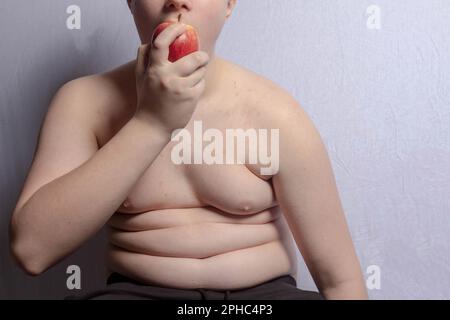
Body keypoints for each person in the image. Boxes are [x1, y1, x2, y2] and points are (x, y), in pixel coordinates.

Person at [10, 0, 368, 300]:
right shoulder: (85, 103)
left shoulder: (274, 112)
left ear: (229, 4)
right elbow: (32, 250)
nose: (177, 0)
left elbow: (340, 278)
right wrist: (151, 124)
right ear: (130, 1)